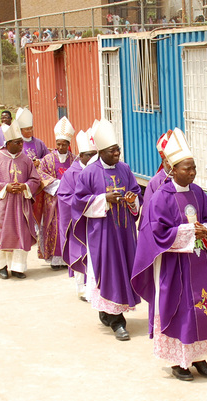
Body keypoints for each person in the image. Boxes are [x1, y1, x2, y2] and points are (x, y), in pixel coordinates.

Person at [131, 128, 207, 381]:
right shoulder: (160, 197)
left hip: (198, 262)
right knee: (182, 309)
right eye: (187, 168)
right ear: (173, 170)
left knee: (202, 307)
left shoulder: (198, 192)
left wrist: (206, 229)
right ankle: (179, 362)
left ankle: (199, 357)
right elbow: (157, 232)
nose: (192, 172)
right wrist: (189, 232)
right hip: (174, 265)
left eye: (194, 168)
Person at [72, 119, 142, 341]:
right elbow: (78, 201)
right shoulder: (90, 172)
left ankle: (109, 312)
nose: (117, 154)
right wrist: (104, 199)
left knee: (123, 272)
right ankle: (117, 321)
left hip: (124, 232)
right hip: (103, 234)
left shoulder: (125, 169)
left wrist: (132, 200)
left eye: (118, 149)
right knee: (109, 271)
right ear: (100, 151)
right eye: (112, 151)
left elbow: (135, 193)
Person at [0, 121, 40, 279]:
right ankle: (2, 266)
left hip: (21, 204)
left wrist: (25, 187)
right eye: (18, 142)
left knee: (20, 233)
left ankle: (17, 267)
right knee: (1, 233)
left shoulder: (26, 160)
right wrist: (5, 187)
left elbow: (35, 179)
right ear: (8, 143)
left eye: (21, 142)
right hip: (3, 204)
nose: (21, 145)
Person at [58, 130, 98, 299]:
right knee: (81, 253)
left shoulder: (97, 171)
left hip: (96, 220)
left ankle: (96, 287)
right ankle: (82, 288)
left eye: (96, 155)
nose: (94, 159)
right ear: (81, 155)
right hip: (79, 222)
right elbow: (64, 197)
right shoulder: (71, 174)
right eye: (90, 155)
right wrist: (85, 204)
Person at [37, 116, 75, 268]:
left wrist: (68, 188)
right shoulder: (47, 159)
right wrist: (59, 185)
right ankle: (55, 259)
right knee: (54, 228)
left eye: (64, 145)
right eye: (58, 144)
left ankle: (69, 258)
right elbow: (41, 175)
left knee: (68, 227)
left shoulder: (75, 160)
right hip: (53, 201)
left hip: (70, 201)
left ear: (68, 144)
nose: (60, 147)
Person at [139, 130, 172, 227]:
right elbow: (147, 212)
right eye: (168, 161)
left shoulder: (185, 180)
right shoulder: (155, 182)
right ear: (163, 162)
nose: (173, 166)